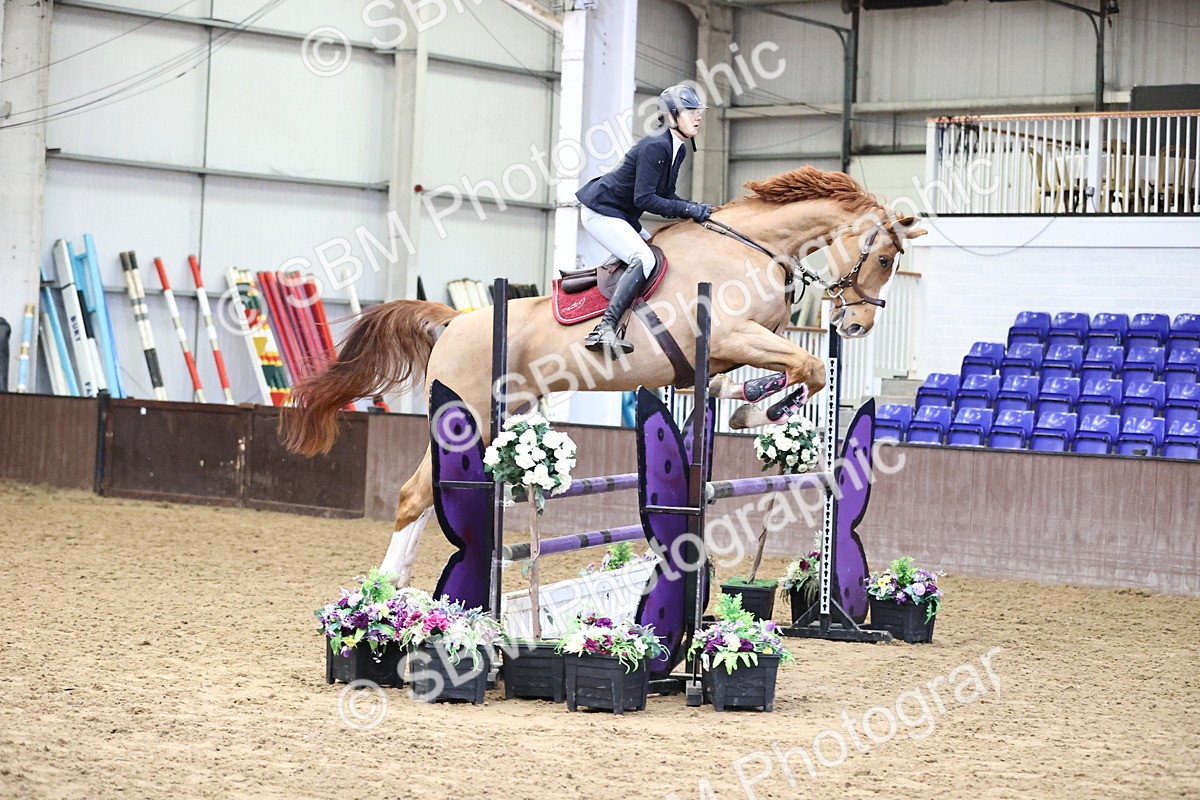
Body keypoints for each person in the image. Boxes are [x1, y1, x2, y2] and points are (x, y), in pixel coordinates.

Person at [575, 84, 714, 356]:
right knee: (644, 258)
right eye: (690, 111)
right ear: (672, 115)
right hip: (601, 211)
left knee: (661, 250)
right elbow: (645, 199)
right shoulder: (655, 145)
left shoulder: (678, 149)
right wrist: (688, 209)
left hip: (623, 215)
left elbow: (666, 194)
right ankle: (605, 328)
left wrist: (692, 208)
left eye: (698, 111)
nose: (698, 116)